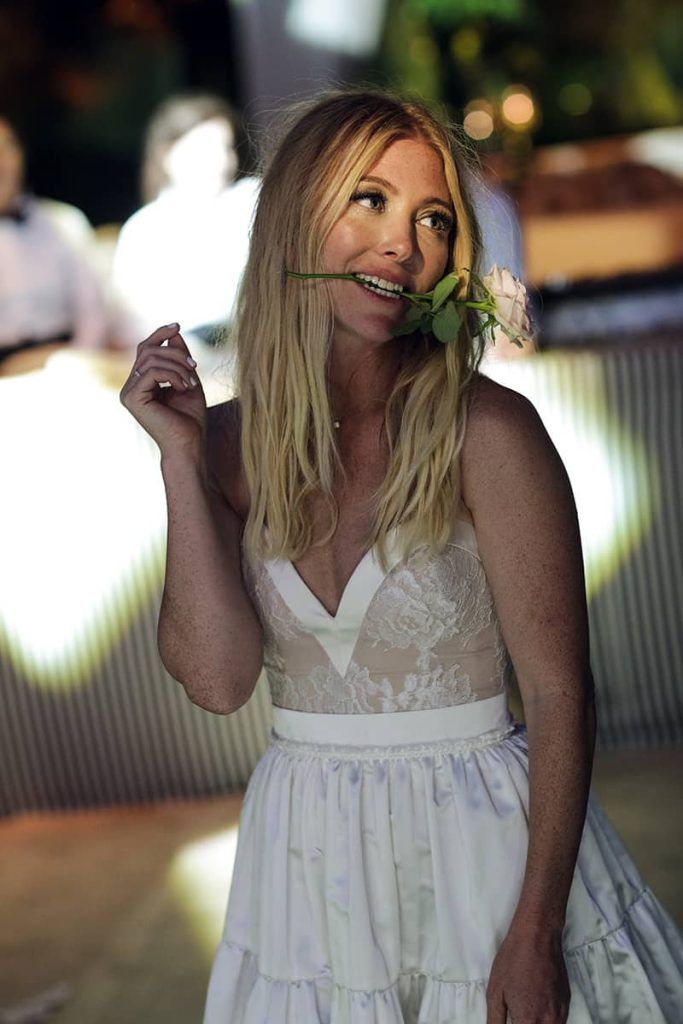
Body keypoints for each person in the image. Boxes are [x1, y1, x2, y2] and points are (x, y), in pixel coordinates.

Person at [119, 88, 683, 1023]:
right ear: (296, 217)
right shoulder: (223, 447)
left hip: (486, 859)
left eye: (432, 218)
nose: (403, 245)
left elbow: (559, 694)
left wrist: (535, 931)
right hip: (306, 865)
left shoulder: (486, 431)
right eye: (369, 200)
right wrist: (179, 460)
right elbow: (217, 682)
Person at [111, 91, 260, 348]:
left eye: (226, 147)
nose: (221, 160)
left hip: (255, 345)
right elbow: (128, 319)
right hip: (181, 354)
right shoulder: (143, 228)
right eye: (204, 149)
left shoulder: (252, 200)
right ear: (166, 154)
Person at [0, 115, 108, 370]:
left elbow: (94, 316)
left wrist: (71, 361)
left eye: (7, 147)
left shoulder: (65, 222)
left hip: (64, 364)